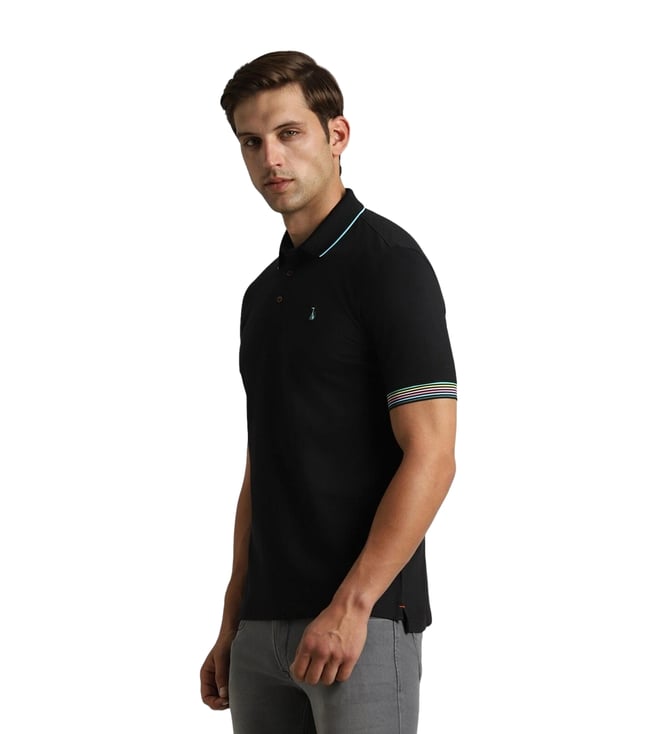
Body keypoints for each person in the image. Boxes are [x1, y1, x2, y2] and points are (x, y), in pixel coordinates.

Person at [200, 50, 457, 734]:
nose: (270, 158)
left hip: (361, 626)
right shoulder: (262, 295)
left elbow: (432, 455)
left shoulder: (389, 266)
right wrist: (232, 616)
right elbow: (264, 462)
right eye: (251, 142)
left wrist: (353, 604)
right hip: (261, 631)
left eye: (289, 133)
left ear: (336, 135)